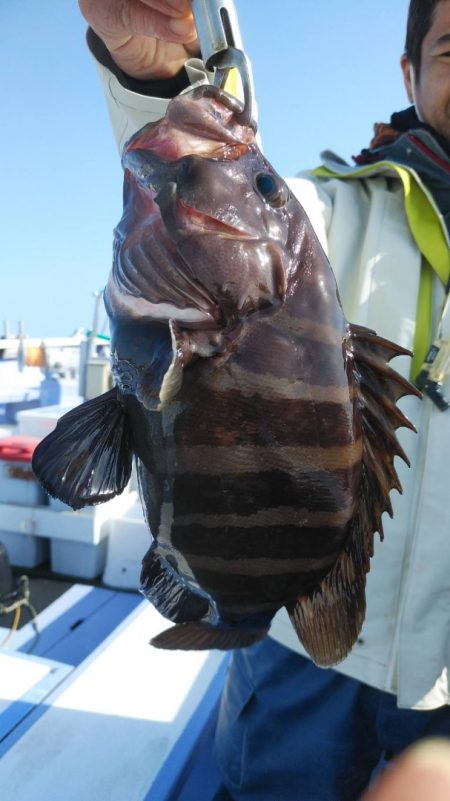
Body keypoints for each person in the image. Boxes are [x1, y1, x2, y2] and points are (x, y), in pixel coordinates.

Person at [78, 1, 450, 798]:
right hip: (294, 653)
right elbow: (208, 203)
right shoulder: (324, 214)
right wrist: (159, 79)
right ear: (410, 73)